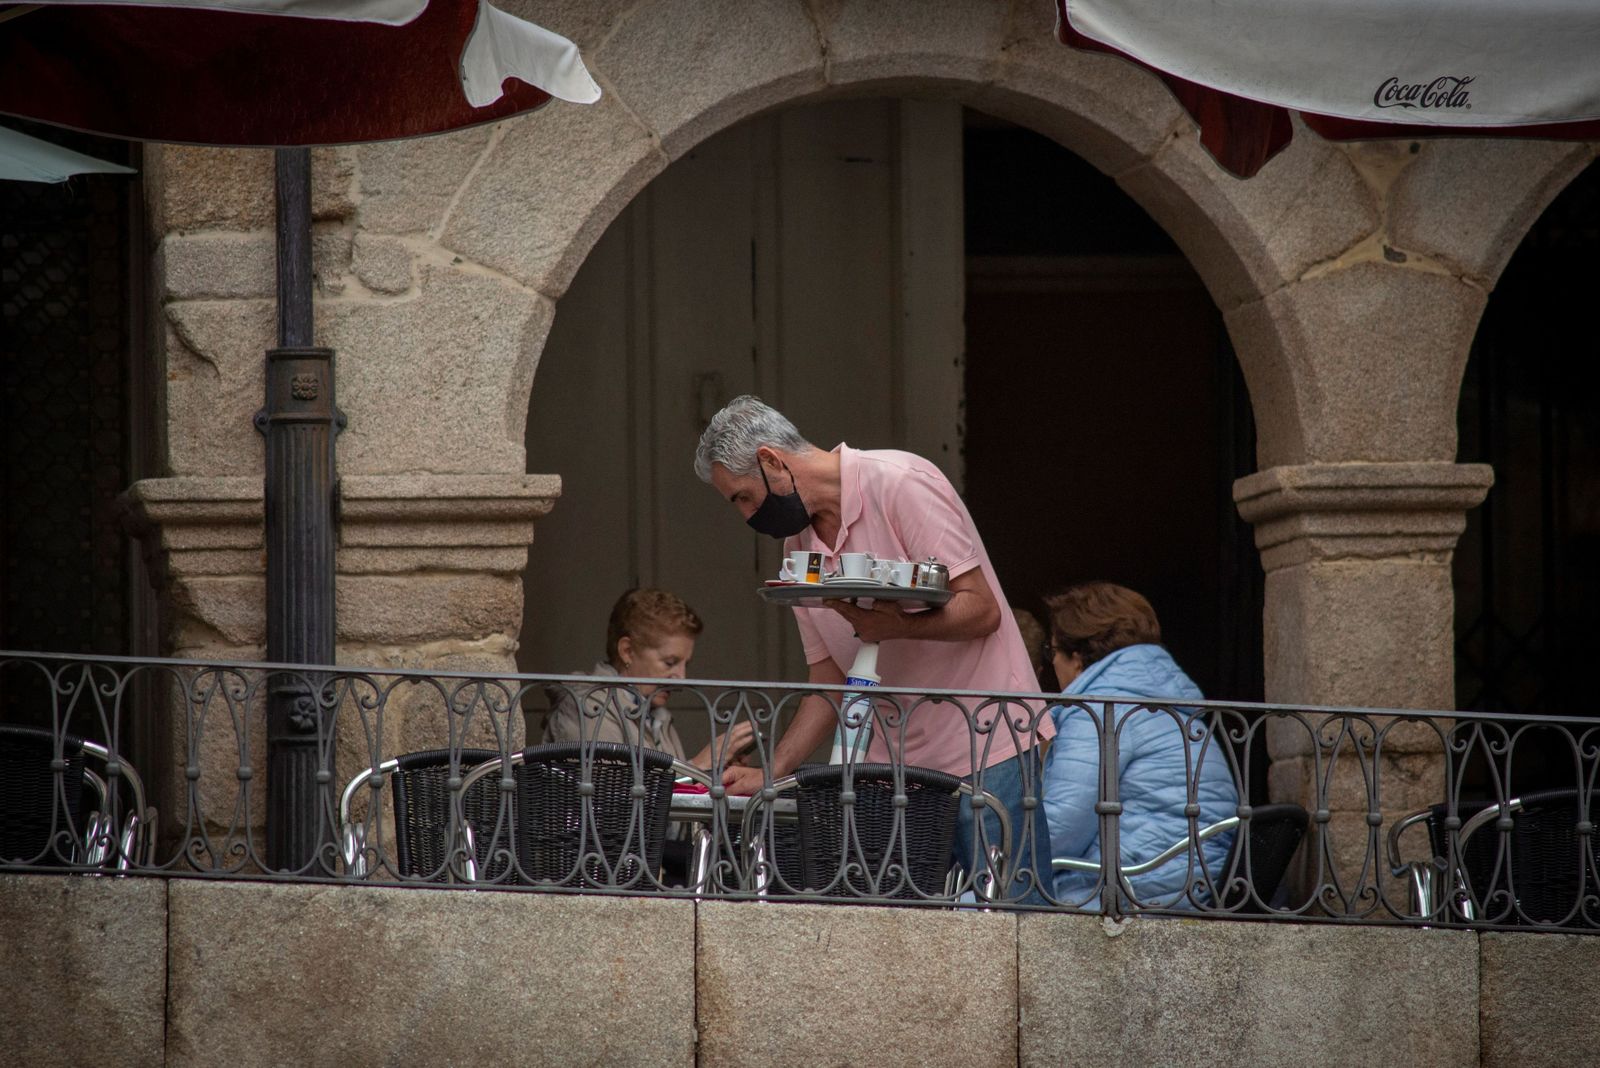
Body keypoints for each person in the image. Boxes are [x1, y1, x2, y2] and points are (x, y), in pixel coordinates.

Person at [693, 395, 1054, 901]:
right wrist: (773, 772)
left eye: (743, 497)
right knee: (895, 934)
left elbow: (983, 610)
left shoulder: (900, 482)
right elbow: (829, 680)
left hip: (986, 742)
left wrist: (890, 625)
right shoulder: (797, 545)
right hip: (889, 765)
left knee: (1016, 921)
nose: (746, 515)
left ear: (773, 462)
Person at [1040, 581, 1239, 910]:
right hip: (1197, 874)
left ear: (1076, 657)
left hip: (1145, 880)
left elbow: (1064, 827)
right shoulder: (1163, 697)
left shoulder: (1101, 708)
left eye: (1052, 652)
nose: (1052, 666)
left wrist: (997, 850)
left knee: (973, 903)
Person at [543, 588, 755, 770]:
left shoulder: (658, 716)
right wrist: (698, 767)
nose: (681, 678)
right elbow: (611, 800)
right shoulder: (586, 706)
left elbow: (670, 807)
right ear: (627, 651)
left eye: (685, 664)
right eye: (670, 662)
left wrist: (712, 776)